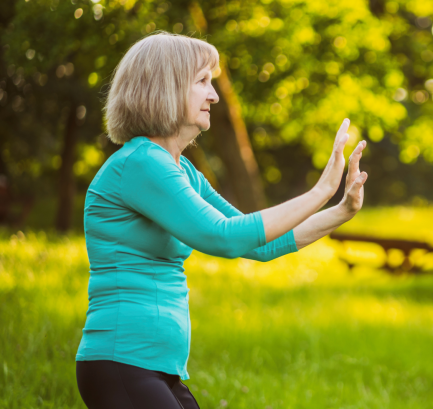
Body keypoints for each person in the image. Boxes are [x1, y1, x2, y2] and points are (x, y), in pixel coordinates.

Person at [74, 32, 368, 409]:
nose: (213, 95)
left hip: (156, 366)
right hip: (121, 361)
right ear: (166, 86)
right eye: (202, 82)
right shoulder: (140, 163)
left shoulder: (182, 172)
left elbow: (260, 244)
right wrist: (319, 191)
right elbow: (222, 238)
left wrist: (341, 210)